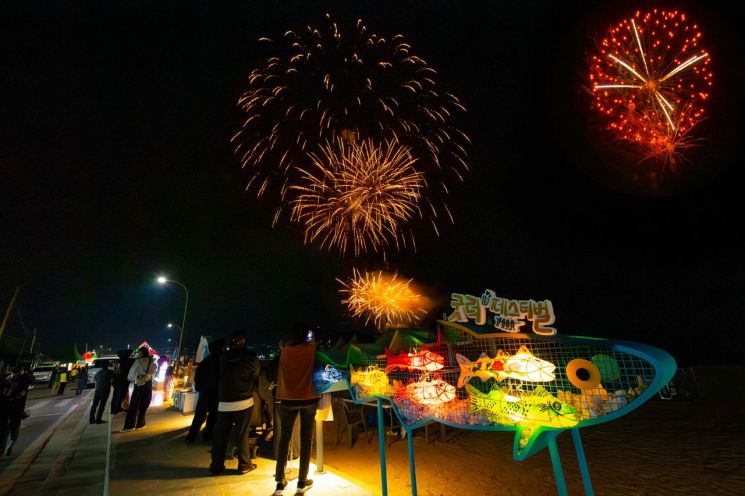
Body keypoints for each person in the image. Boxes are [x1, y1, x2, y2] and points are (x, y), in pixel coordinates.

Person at [273, 323, 320, 495]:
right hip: (308, 398)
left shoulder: (285, 350)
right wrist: (312, 338)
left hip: (287, 399)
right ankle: (302, 481)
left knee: (284, 439)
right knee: (306, 440)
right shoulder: (311, 349)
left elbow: (281, 343)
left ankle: (279, 481)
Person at [209, 329, 260, 476]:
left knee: (221, 434)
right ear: (244, 341)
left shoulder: (224, 357)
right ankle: (244, 464)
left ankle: (216, 466)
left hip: (224, 400)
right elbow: (256, 373)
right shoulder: (250, 356)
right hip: (244, 400)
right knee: (242, 433)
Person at [186, 338, 224, 444]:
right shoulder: (222, 362)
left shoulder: (205, 362)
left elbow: (198, 377)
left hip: (204, 393)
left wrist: (200, 388)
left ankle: (191, 437)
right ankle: (207, 435)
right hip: (216, 393)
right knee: (213, 416)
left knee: (199, 416)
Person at [122, 347, 156, 431]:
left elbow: (131, 375)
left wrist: (134, 379)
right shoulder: (151, 361)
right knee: (144, 405)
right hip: (148, 385)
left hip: (139, 384)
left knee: (134, 405)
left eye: (139, 352)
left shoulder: (138, 361)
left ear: (142, 353)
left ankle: (130, 426)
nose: (138, 354)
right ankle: (140, 424)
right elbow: (153, 372)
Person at [5, 366, 33, 455]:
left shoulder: (11, 380)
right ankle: (9, 445)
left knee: (10, 428)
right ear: (20, 370)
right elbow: (29, 383)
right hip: (16, 409)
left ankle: (7, 445)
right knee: (14, 429)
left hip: (10, 408)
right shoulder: (21, 379)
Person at [111, 349, 133, 415]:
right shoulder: (126, 361)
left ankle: (113, 408)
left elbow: (115, 371)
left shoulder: (117, 361)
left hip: (116, 381)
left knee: (115, 395)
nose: (130, 355)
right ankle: (116, 409)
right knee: (121, 395)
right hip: (123, 381)